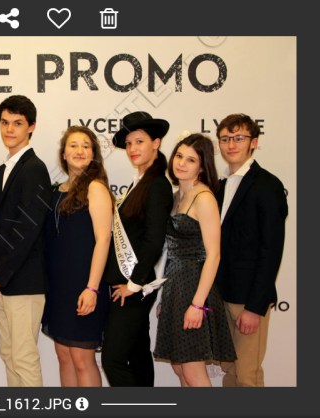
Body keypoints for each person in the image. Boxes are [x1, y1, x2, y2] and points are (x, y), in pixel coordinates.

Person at [0, 95, 53, 387]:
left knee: (23, 357)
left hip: (24, 282)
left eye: (18, 123)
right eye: (5, 122)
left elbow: (28, 230)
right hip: (0, 281)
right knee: (9, 355)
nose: (9, 129)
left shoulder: (35, 168)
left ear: (31, 127)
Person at [153, 133, 237, 386]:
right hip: (175, 288)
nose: (181, 163)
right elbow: (170, 251)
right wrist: (164, 297)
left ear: (202, 167)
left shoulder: (205, 198)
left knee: (192, 371)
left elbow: (214, 255)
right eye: (179, 156)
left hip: (194, 288)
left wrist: (197, 305)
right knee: (180, 368)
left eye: (191, 160)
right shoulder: (177, 195)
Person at [215, 113, 288, 387]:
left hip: (248, 299)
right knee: (230, 371)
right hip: (222, 294)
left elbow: (271, 250)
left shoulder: (267, 185)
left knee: (247, 375)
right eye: (225, 139)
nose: (231, 144)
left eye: (239, 138)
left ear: (253, 142)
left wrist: (255, 307)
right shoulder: (220, 186)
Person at [101, 111, 173, 387]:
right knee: (138, 354)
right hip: (129, 285)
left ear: (156, 143)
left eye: (139, 142)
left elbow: (154, 240)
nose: (132, 148)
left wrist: (134, 284)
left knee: (113, 360)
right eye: (129, 143)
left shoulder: (157, 185)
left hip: (134, 287)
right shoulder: (139, 182)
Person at [41, 126, 114, 387]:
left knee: (82, 359)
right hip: (59, 288)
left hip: (85, 285)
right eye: (73, 145)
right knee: (64, 356)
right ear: (63, 153)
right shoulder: (56, 191)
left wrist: (92, 288)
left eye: (86, 146)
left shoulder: (96, 188)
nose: (79, 150)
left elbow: (104, 240)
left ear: (94, 154)